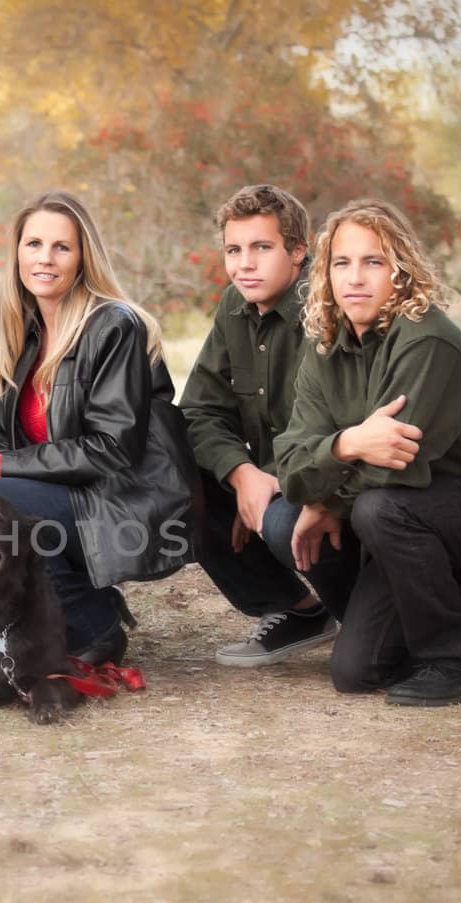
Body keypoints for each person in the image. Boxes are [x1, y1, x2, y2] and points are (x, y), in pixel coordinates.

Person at [269, 199, 461, 705]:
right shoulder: (325, 344)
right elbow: (291, 464)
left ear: (401, 272)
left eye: (373, 262)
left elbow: (398, 468)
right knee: (356, 670)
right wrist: (348, 443)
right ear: (325, 273)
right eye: (341, 262)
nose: (355, 277)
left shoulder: (426, 339)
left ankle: (458, 658)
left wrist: (328, 496)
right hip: (406, 512)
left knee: (379, 508)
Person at [0, 191, 198, 663]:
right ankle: (77, 610)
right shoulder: (24, 331)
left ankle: (95, 629)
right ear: (18, 253)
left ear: (82, 258)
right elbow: (2, 437)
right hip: (72, 494)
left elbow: (112, 448)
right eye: (33, 245)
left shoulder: (114, 326)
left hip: (123, 497)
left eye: (61, 247)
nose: (44, 259)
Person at [179, 184, 338, 667]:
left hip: (333, 482)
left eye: (261, 248)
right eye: (233, 249)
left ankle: (372, 605)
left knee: (282, 514)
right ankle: (298, 609)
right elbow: (199, 411)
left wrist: (267, 481)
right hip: (271, 478)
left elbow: (335, 425)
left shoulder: (330, 307)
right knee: (180, 472)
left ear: (298, 249)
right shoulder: (234, 306)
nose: (244, 263)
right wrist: (241, 473)